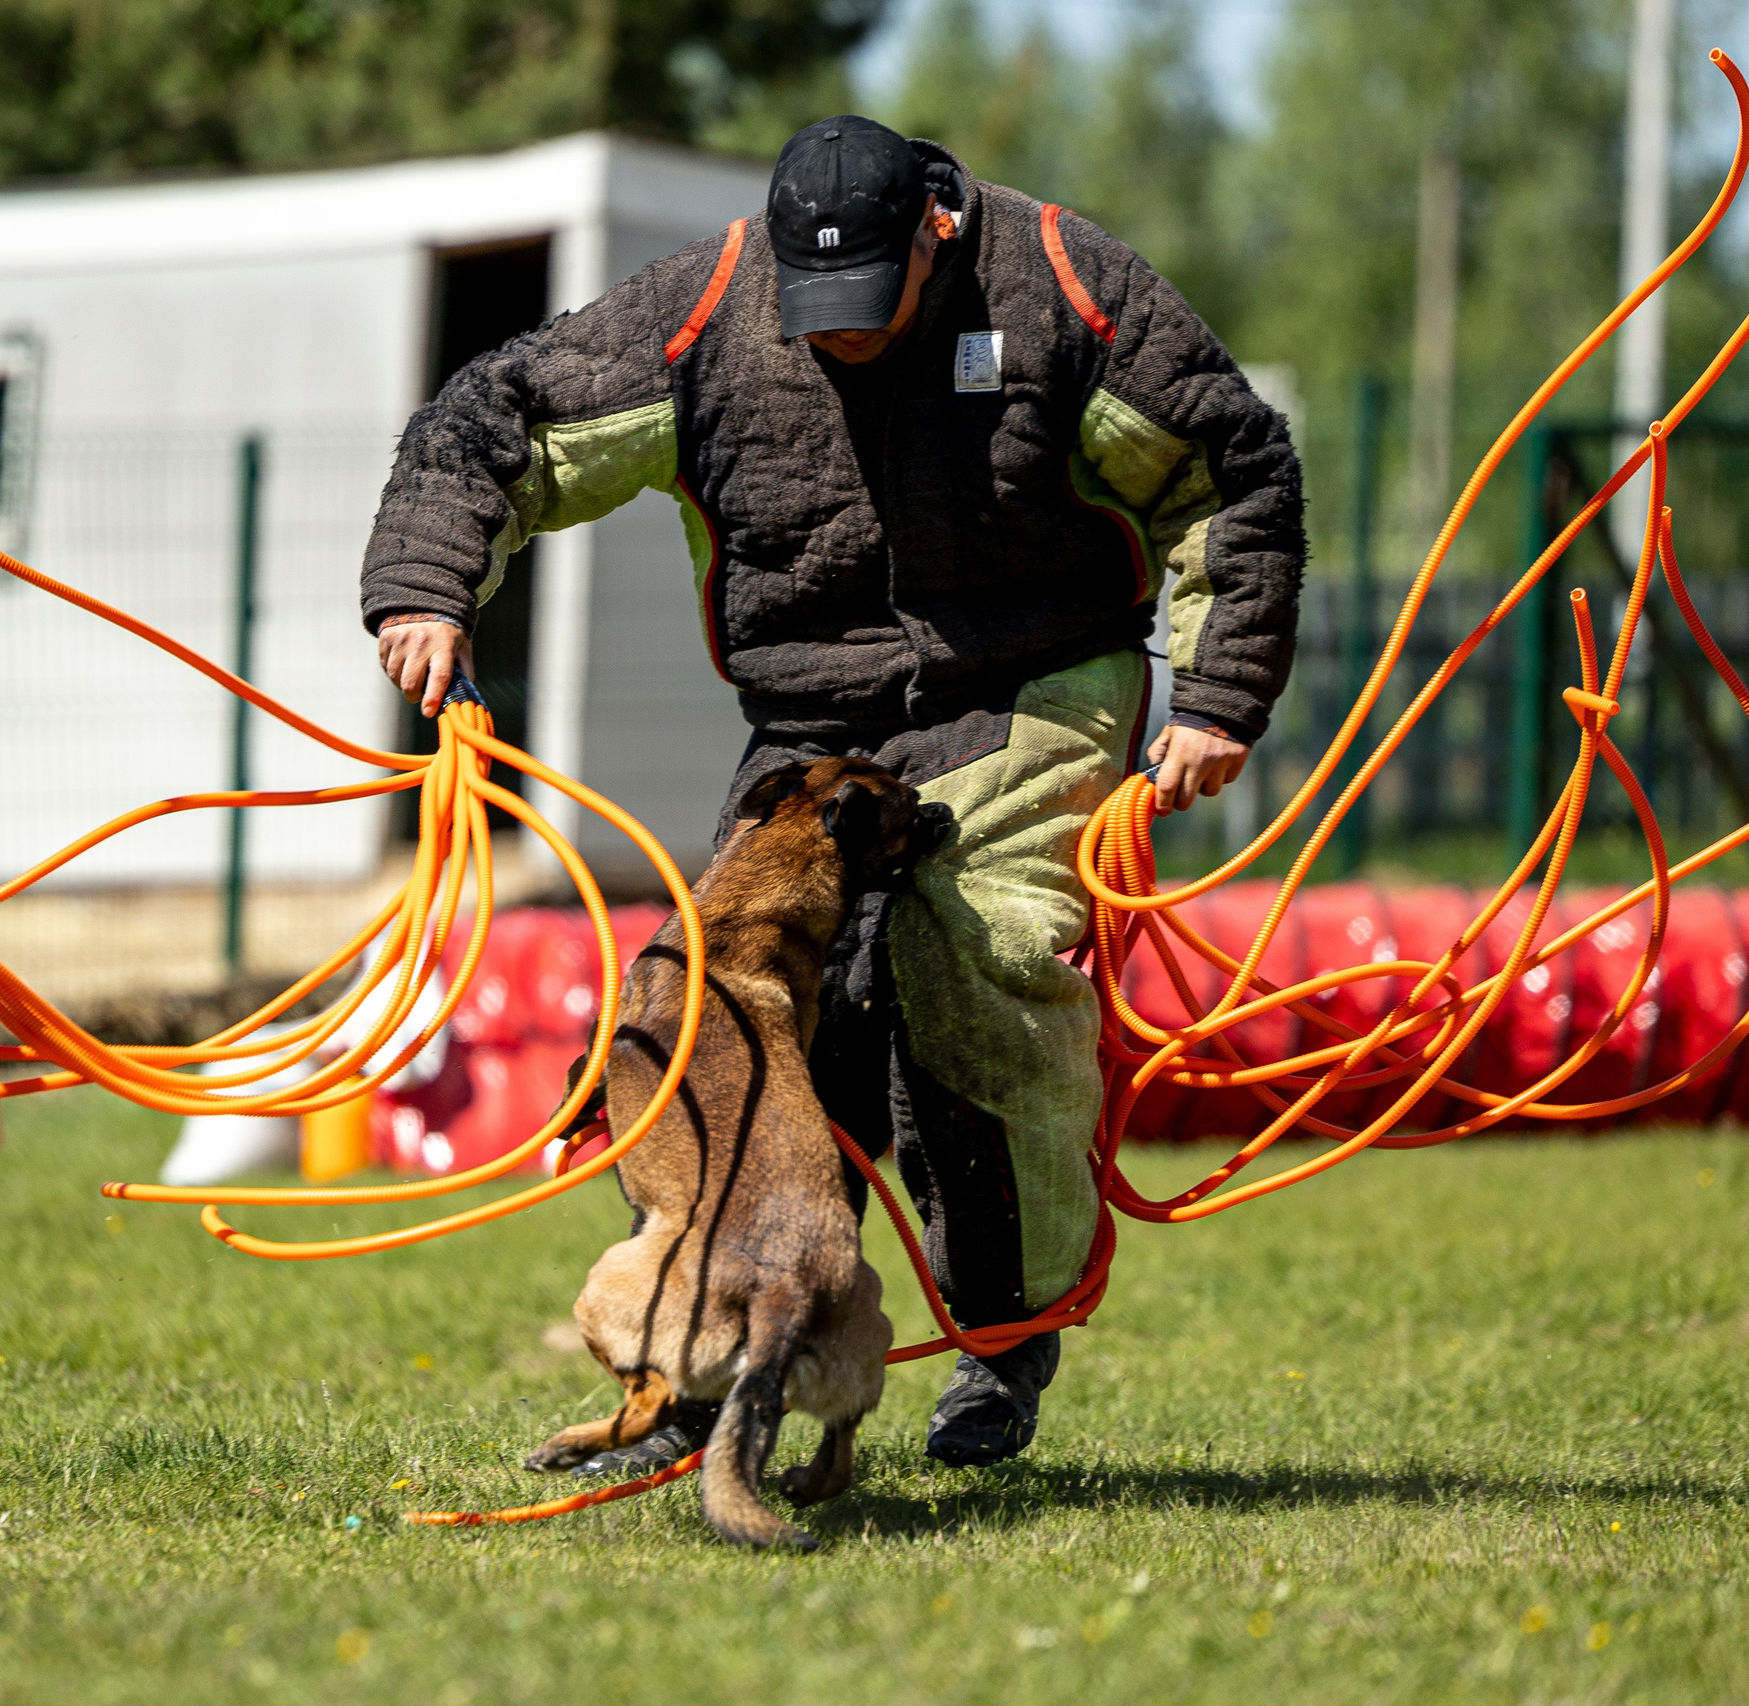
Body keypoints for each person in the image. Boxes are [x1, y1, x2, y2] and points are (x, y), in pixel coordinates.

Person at [361, 116, 1304, 1468]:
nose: (839, 337)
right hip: (809, 725)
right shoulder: (706, 311)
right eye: (817, 315)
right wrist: (425, 586)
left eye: (867, 308)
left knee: (959, 943)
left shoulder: (1060, 286)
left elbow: (1234, 476)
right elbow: (498, 420)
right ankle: (703, 1371)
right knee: (712, 999)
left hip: (1032, 685)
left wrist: (1216, 698)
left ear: (935, 229)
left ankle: (999, 1339)